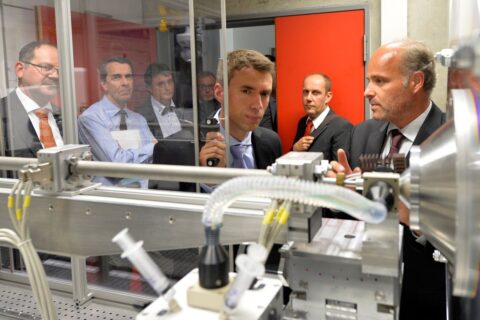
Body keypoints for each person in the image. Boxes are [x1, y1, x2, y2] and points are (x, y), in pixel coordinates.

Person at [330, 39, 446, 320]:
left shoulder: (452, 141)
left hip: (421, 297)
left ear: (416, 82)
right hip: (363, 288)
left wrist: (416, 220)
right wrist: (343, 196)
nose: (367, 92)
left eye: (380, 81)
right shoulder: (363, 133)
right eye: (370, 80)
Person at [78, 56, 157, 188]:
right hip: (112, 200)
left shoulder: (138, 119)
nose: (125, 82)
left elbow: (153, 162)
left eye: (128, 76)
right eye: (117, 77)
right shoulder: (91, 118)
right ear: (103, 84)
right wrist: (152, 148)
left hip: (143, 194)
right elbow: (117, 164)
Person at [198, 49, 282, 171]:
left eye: (264, 94)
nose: (258, 105)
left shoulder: (271, 142)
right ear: (219, 92)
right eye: (246, 91)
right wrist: (209, 183)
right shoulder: (193, 144)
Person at [0, 40, 63, 158]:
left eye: (59, 70)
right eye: (46, 67)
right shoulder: (3, 112)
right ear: (20, 69)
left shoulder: (66, 117)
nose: (55, 76)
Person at [291, 73, 352, 161]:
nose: (308, 98)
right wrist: (295, 149)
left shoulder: (342, 127)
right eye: (306, 92)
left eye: (315, 93)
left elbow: (340, 170)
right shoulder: (303, 122)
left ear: (328, 97)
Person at [136, 63, 193, 141]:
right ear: (149, 88)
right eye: (161, 84)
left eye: (170, 82)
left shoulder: (186, 105)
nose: (167, 88)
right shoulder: (140, 115)